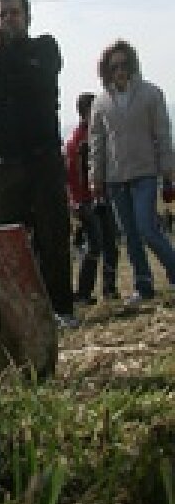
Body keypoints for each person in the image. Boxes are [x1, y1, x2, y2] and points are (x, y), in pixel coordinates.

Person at [0, 0, 75, 324]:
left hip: (43, 157)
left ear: (26, 18)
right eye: (1, 14)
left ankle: (61, 309)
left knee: (53, 235)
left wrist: (0, 51)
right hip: (4, 162)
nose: (8, 19)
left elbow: (36, 79)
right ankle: (22, 313)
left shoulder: (44, 48)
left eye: (14, 13)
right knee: (10, 242)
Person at [88, 40, 175, 305]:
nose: (120, 70)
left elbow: (162, 134)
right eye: (114, 66)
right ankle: (143, 283)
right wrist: (96, 178)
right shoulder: (101, 103)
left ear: (133, 65)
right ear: (106, 70)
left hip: (145, 172)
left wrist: (168, 169)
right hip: (115, 178)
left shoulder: (151, 94)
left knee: (147, 228)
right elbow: (97, 143)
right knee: (130, 234)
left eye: (124, 64)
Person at [65, 91, 119, 305]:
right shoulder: (79, 142)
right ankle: (85, 292)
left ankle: (108, 288)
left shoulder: (95, 136)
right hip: (87, 200)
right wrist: (77, 201)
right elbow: (72, 174)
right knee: (97, 244)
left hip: (99, 197)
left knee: (109, 244)